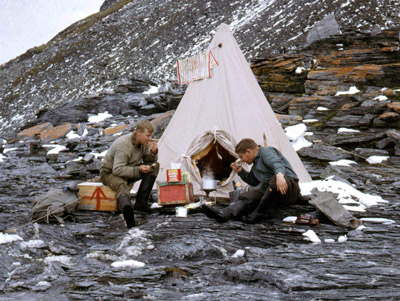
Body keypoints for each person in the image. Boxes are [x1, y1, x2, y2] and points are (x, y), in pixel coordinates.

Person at [202, 138, 301, 224]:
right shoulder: (255, 165)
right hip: (272, 191)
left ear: (248, 152)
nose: (241, 160)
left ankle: (258, 213)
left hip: (290, 188)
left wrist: (280, 176)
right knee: (250, 195)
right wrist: (240, 171)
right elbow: (253, 181)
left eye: (241, 156)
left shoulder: (266, 152)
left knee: (274, 179)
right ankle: (224, 213)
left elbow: (277, 164)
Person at [100, 120, 159, 228]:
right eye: (148, 136)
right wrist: (138, 170)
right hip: (109, 174)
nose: (150, 139)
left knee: (154, 166)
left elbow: (148, 159)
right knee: (121, 185)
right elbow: (117, 170)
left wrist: (153, 153)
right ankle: (128, 214)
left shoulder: (143, 143)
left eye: (151, 136)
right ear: (138, 132)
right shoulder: (124, 145)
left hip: (127, 171)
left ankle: (141, 204)